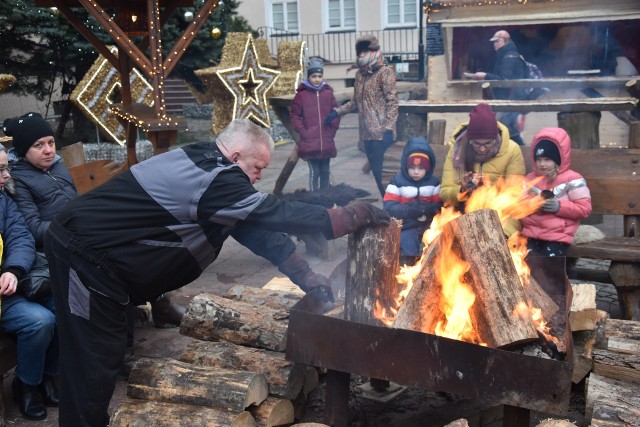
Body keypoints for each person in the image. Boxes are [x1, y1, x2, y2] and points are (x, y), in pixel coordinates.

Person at [44, 118, 389, 426]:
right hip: (85, 257)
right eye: (256, 168)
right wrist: (347, 217)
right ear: (236, 156)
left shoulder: (209, 166)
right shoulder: (215, 179)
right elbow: (273, 213)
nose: (257, 178)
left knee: (102, 351)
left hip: (102, 261)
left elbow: (257, 231)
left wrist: (305, 275)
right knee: (91, 358)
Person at [2, 112, 185, 376]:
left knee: (144, 244)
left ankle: (160, 305)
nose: (48, 150)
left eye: (51, 142)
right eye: (38, 145)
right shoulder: (18, 180)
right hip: (56, 250)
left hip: (80, 238)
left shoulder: (57, 166)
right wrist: (77, 228)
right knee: (114, 271)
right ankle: (120, 353)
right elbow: (33, 230)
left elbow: (76, 205)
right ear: (22, 149)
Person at [0, 143, 59, 421]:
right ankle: (26, 385)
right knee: (39, 321)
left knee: (63, 304)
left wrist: (12, 269)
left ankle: (49, 376)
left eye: (6, 168)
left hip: (11, 286)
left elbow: (20, 237)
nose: (6, 176)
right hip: (4, 300)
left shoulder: (3, 201)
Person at [324, 35, 399, 197]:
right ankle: (389, 204)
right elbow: (354, 103)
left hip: (381, 134)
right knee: (377, 175)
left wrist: (388, 128)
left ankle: (392, 206)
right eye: (360, 52)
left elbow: (392, 102)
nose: (361, 55)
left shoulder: (384, 72)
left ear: (373, 51)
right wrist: (336, 112)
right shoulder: (360, 75)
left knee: (383, 173)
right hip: (366, 134)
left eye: (365, 51)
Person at [440, 103, 525, 236]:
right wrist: (462, 191)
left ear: (496, 138)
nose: (482, 149)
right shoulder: (457, 150)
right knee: (454, 241)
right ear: (470, 140)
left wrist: (487, 192)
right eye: (477, 144)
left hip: (501, 215)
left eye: (487, 144)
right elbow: (445, 193)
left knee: (496, 242)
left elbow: (515, 196)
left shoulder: (512, 150)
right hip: (463, 213)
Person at [521, 127, 592, 257]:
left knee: (549, 266)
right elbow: (519, 205)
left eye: (547, 160)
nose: (542, 164)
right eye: (539, 159)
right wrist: (531, 205)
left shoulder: (573, 179)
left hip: (558, 236)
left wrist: (559, 207)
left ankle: (556, 277)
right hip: (531, 234)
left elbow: (584, 209)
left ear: (558, 160)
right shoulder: (530, 179)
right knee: (524, 262)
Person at [383, 137, 442, 266]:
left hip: (429, 224)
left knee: (439, 243)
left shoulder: (433, 182)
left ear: (427, 168)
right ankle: (409, 268)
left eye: (420, 168)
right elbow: (389, 206)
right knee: (407, 244)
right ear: (406, 166)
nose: (416, 172)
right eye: (412, 168)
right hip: (407, 225)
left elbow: (439, 204)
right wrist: (408, 210)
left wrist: (429, 208)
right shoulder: (397, 182)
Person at [469, 30, 528, 145]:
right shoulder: (507, 55)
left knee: (505, 130)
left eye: (497, 41)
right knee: (508, 131)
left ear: (506, 41)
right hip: (510, 99)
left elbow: (505, 80)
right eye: (494, 42)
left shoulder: (509, 58)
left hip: (509, 100)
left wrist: (485, 76)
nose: (494, 44)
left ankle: (518, 153)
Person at [290, 57, 340, 191]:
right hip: (310, 142)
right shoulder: (302, 95)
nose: (317, 79)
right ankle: (315, 199)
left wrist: (332, 131)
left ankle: (325, 199)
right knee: (315, 172)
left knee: (325, 172)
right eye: (313, 76)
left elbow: (335, 112)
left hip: (326, 140)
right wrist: (303, 132)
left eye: (320, 76)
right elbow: (295, 115)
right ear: (309, 77)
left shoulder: (328, 93)